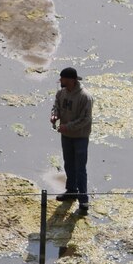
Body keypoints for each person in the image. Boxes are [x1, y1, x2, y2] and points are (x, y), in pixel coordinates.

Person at [50, 66, 93, 216]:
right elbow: (56, 107)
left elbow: (85, 119)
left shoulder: (84, 97)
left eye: (62, 78)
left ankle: (83, 201)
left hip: (80, 137)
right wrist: (54, 116)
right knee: (68, 164)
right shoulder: (61, 93)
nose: (60, 81)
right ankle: (71, 191)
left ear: (71, 80)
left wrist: (67, 127)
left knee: (80, 168)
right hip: (66, 136)